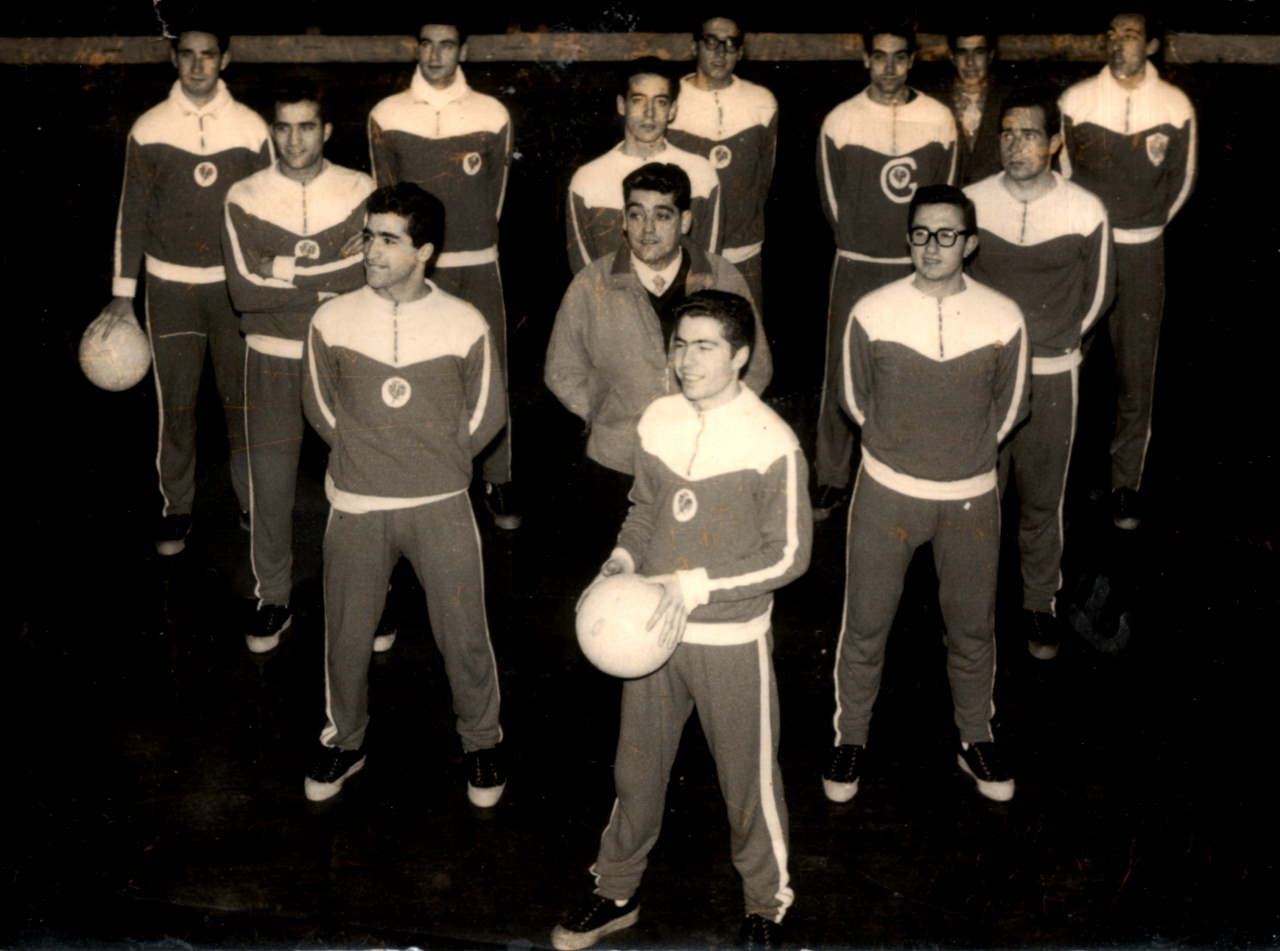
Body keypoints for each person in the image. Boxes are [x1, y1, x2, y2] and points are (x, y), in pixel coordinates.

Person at [549, 291, 811, 951]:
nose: (686, 360)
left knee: (747, 783)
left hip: (729, 640)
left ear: (740, 356)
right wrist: (621, 560)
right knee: (635, 772)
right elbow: (645, 509)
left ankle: (767, 904)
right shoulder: (659, 417)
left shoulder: (771, 441)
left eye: (705, 347)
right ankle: (615, 890)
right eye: (680, 345)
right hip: (651, 636)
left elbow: (788, 556)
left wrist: (694, 585)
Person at [300, 184, 507, 806]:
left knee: (464, 632)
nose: (371, 250)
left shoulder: (464, 322)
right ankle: (345, 741)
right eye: (368, 236)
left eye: (388, 240)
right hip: (358, 504)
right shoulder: (330, 319)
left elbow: (488, 414)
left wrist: (437, 465)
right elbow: (319, 406)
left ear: (425, 251)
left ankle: (482, 741)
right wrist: (364, 459)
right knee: (346, 635)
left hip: (440, 504)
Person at [823, 185, 1028, 805]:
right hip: (888, 494)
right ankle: (850, 737)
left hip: (971, 498)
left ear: (970, 244)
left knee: (972, 628)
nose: (931, 247)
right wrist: (902, 455)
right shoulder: (872, 311)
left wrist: (962, 457)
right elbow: (854, 399)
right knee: (866, 624)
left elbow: (1011, 408)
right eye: (920, 234)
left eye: (946, 235)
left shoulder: (1004, 316)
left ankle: (975, 736)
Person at [87, 25, 271, 555]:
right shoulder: (149, 128)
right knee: (177, 406)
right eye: (186, 54)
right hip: (170, 290)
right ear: (173, 58)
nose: (196, 66)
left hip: (235, 292)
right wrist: (123, 293)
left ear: (224, 59)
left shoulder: (251, 128)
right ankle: (176, 508)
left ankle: (252, 502)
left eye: (207, 55)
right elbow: (132, 213)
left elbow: (268, 206)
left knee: (242, 402)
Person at [222, 80, 375, 652]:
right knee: (270, 485)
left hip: (343, 354)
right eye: (283, 127)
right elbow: (244, 290)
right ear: (272, 131)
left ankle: (371, 596)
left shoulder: (361, 189)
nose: (294, 140)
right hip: (271, 357)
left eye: (306, 126)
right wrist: (328, 275)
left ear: (326, 130)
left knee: (361, 481)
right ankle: (273, 596)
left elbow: (371, 270)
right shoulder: (243, 195)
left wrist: (279, 267)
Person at [965, 87, 1115, 661]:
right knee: (978, 496)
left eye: (1029, 134)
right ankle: (971, 608)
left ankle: (1039, 603)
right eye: (1007, 133)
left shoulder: (1085, 210)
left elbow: (1099, 296)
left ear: (1054, 143)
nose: (1015, 144)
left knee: (1042, 501)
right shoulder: (972, 202)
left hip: (1053, 376)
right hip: (983, 375)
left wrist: (1056, 345)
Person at [546, 162, 771, 538]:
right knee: (620, 566)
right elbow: (561, 369)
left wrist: (714, 422)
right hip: (619, 463)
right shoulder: (591, 284)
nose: (647, 229)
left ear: (685, 221)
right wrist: (606, 413)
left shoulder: (722, 278)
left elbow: (757, 366)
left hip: (705, 459)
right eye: (637, 215)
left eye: (662, 215)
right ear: (624, 220)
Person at [368, 22, 520, 529]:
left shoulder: (492, 113)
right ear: (416, 48)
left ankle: (497, 476)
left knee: (489, 370)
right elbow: (385, 200)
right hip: (415, 269)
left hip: (477, 264)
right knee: (411, 369)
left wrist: (470, 244)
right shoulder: (386, 114)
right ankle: (412, 472)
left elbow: (494, 198)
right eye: (427, 44)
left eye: (447, 45)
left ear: (463, 51)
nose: (435, 55)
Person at [814, 21, 956, 521]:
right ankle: (831, 475)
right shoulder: (840, 120)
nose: (889, 67)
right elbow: (832, 201)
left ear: (912, 60)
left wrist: (923, 255)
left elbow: (944, 196)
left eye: (900, 57)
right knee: (842, 367)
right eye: (880, 56)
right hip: (857, 263)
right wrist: (861, 244)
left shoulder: (938, 119)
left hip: (914, 265)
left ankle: (908, 465)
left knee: (915, 365)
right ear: (866, 60)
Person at [1059, 12, 1196, 530]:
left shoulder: (1175, 106)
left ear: (1153, 45)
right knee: (1066, 360)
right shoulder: (1076, 101)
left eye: (1131, 36)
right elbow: (1065, 174)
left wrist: (1142, 226)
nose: (1119, 44)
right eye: (1111, 36)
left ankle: (1125, 485)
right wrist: (1089, 233)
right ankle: (1056, 475)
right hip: (1086, 251)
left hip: (1143, 254)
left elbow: (1179, 183)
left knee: (1136, 373)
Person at [567, 60, 722, 275]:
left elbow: (708, 267)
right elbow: (584, 275)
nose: (649, 113)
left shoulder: (702, 174)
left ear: (672, 110)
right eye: (638, 100)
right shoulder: (587, 180)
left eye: (660, 102)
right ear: (622, 105)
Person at [666, 16, 778, 310]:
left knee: (744, 331)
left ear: (741, 51)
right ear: (695, 47)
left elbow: (763, 180)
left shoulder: (762, 102)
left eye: (730, 44)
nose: (720, 52)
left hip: (743, 250)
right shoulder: (670, 100)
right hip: (683, 252)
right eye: (711, 42)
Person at [937, 30, 1010, 185]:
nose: (970, 62)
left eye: (978, 53)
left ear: (990, 56)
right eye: (962, 53)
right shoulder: (935, 100)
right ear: (952, 56)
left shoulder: (1009, 99)